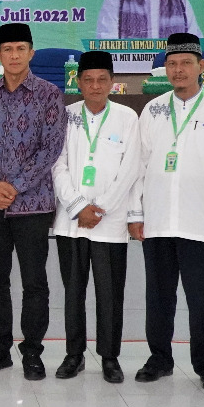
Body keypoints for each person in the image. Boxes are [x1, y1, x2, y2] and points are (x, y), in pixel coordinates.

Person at [128, 33, 204, 392]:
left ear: (201, 67)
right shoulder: (154, 108)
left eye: (186, 63)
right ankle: (159, 358)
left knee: (202, 298)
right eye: (172, 64)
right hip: (158, 220)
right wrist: (136, 212)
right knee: (158, 297)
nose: (178, 70)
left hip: (201, 222)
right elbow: (139, 164)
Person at [0, 23, 65, 380]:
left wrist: (15, 186)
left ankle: (33, 352)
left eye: (20, 49)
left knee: (34, 281)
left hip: (33, 205)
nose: (13, 55)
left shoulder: (49, 94)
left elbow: (51, 148)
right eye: (7, 49)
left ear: (31, 53)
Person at [52, 50, 141, 383]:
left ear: (112, 82)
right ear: (78, 82)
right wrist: (78, 206)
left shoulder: (127, 118)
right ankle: (73, 355)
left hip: (110, 223)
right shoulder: (64, 115)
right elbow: (57, 165)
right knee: (73, 291)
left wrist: (100, 207)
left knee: (109, 294)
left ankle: (109, 357)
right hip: (71, 222)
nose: (95, 85)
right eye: (88, 79)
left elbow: (131, 168)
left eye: (102, 79)